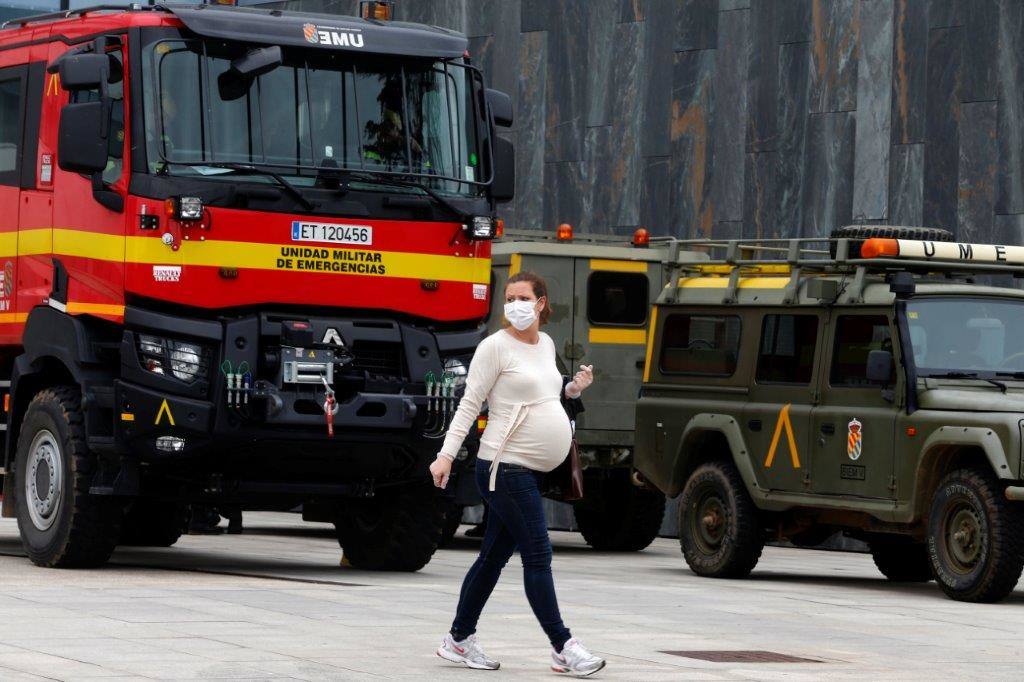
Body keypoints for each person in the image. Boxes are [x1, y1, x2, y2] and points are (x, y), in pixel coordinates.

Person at [429, 271, 605, 677]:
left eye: (523, 297)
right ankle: (563, 647)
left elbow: (543, 393)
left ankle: (458, 639)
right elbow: (470, 404)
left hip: (533, 469)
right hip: (504, 467)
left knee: (492, 557)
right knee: (538, 554)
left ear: (541, 303)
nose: (514, 305)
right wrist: (445, 456)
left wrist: (571, 391)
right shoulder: (494, 347)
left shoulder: (545, 344)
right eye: (509, 298)